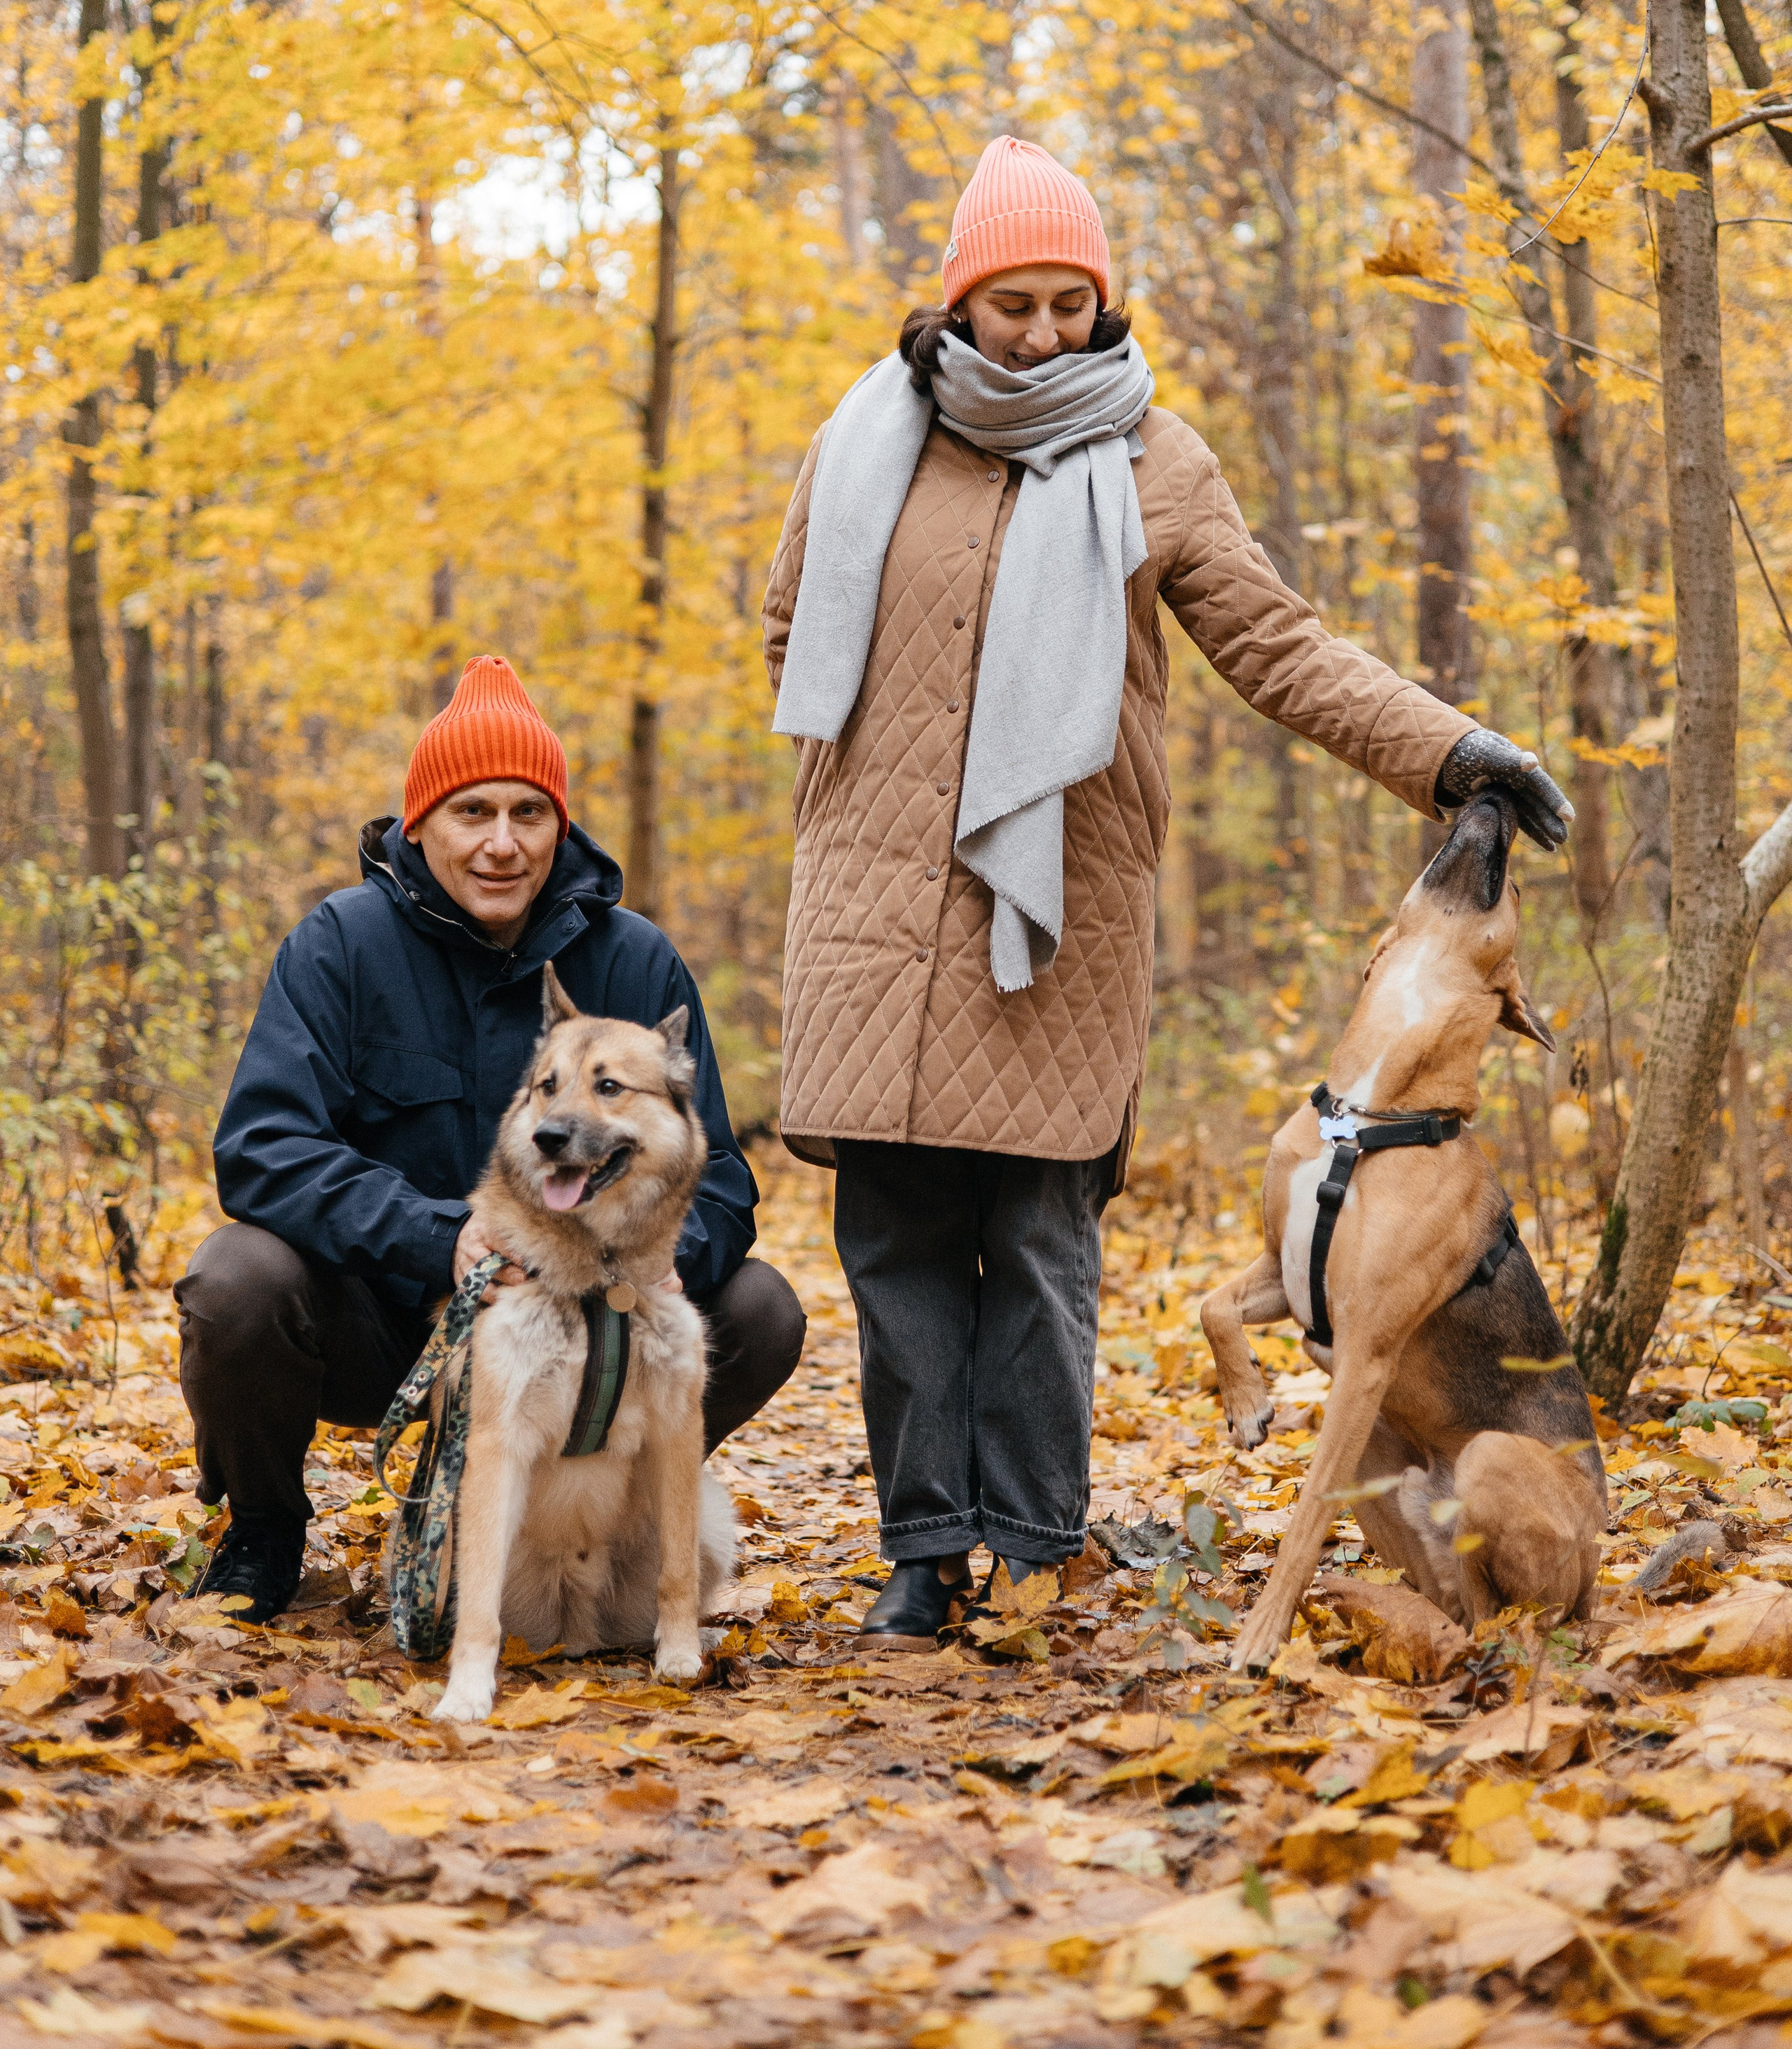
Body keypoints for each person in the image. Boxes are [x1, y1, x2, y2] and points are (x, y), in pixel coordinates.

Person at [763, 134, 1572, 1648]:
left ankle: (1032, 1544)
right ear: (959, 298)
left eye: (1068, 302)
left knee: (1039, 1239)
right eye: (1012, 303)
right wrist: (873, 790)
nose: (1040, 332)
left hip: (1060, 906)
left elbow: (1278, 648)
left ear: (1101, 301)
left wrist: (1449, 750)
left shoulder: (1154, 458)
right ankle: (922, 1553)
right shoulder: (866, 436)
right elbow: (788, 628)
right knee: (899, 1245)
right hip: (874, 910)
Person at [177, 655, 805, 1623]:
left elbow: (716, 1173)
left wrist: (661, 1261)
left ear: (562, 825)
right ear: (420, 823)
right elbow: (263, 1146)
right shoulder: (340, 946)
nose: (502, 843)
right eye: (473, 812)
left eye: (529, 813)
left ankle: (592, 1508)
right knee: (235, 1282)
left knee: (760, 1307)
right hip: (391, 1324)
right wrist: (442, 1238)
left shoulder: (636, 960)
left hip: (586, 1332)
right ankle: (264, 1528)